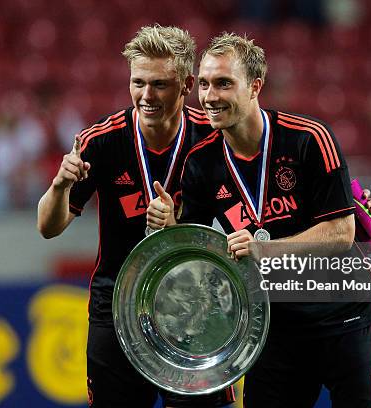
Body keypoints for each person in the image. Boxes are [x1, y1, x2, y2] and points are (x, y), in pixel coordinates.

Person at [147, 33, 371, 407]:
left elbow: (342, 233)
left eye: (224, 83)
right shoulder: (201, 163)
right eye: (206, 83)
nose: (210, 96)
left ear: (255, 86)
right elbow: (192, 250)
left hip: (346, 318)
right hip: (274, 330)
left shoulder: (309, 138)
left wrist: (264, 249)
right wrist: (167, 225)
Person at [37, 25, 239, 408]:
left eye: (160, 85)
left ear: (186, 85)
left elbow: (245, 226)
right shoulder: (101, 140)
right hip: (117, 309)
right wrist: (61, 186)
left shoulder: (214, 140)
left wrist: (177, 231)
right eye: (138, 83)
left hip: (193, 311)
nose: (146, 96)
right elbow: (48, 228)